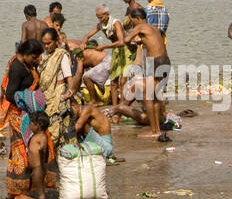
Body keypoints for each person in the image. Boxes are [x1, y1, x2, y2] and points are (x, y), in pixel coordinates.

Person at [3, 40, 55, 199]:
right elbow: (10, 94)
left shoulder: (27, 65)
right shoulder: (17, 68)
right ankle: (18, 192)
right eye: (34, 56)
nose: (37, 60)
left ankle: (25, 188)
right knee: (22, 151)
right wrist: (29, 98)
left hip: (28, 114)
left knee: (30, 149)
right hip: (20, 115)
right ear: (24, 54)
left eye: (39, 56)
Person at [122, 9, 171, 141]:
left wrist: (127, 40)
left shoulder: (140, 26)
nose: (132, 23)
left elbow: (126, 39)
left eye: (132, 20)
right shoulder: (153, 28)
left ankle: (154, 130)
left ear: (137, 18)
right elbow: (151, 42)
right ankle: (157, 129)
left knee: (149, 97)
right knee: (156, 96)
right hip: (164, 60)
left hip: (153, 62)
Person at [39, 27, 76, 144]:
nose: (46, 46)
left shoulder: (61, 55)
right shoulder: (45, 56)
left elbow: (68, 76)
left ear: (56, 41)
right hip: (46, 95)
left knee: (57, 125)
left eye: (49, 43)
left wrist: (69, 92)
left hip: (58, 93)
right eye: (44, 44)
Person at [73, 95, 115, 161]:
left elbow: (78, 126)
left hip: (105, 147)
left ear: (74, 106)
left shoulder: (87, 109)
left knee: (82, 125)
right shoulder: (80, 114)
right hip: (97, 146)